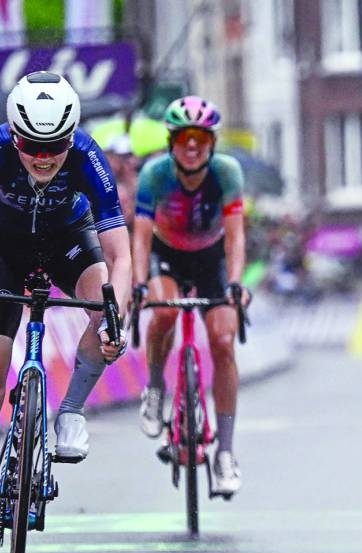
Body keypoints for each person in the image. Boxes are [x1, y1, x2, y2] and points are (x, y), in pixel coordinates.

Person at [0, 71, 130, 553]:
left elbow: (120, 250)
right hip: (2, 247)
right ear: (13, 134)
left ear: (70, 137)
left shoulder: (89, 154)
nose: (43, 157)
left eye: (55, 146)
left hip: (68, 239)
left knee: (109, 305)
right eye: (31, 145)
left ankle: (69, 410)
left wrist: (117, 314)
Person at [131, 95, 249, 497]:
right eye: (184, 137)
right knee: (162, 314)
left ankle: (226, 455)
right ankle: (154, 389)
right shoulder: (154, 174)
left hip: (211, 258)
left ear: (212, 142)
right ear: (171, 142)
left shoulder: (227, 172)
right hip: (167, 255)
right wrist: (139, 284)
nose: (193, 145)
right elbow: (141, 237)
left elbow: (235, 237)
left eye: (201, 136)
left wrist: (235, 282)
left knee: (223, 341)